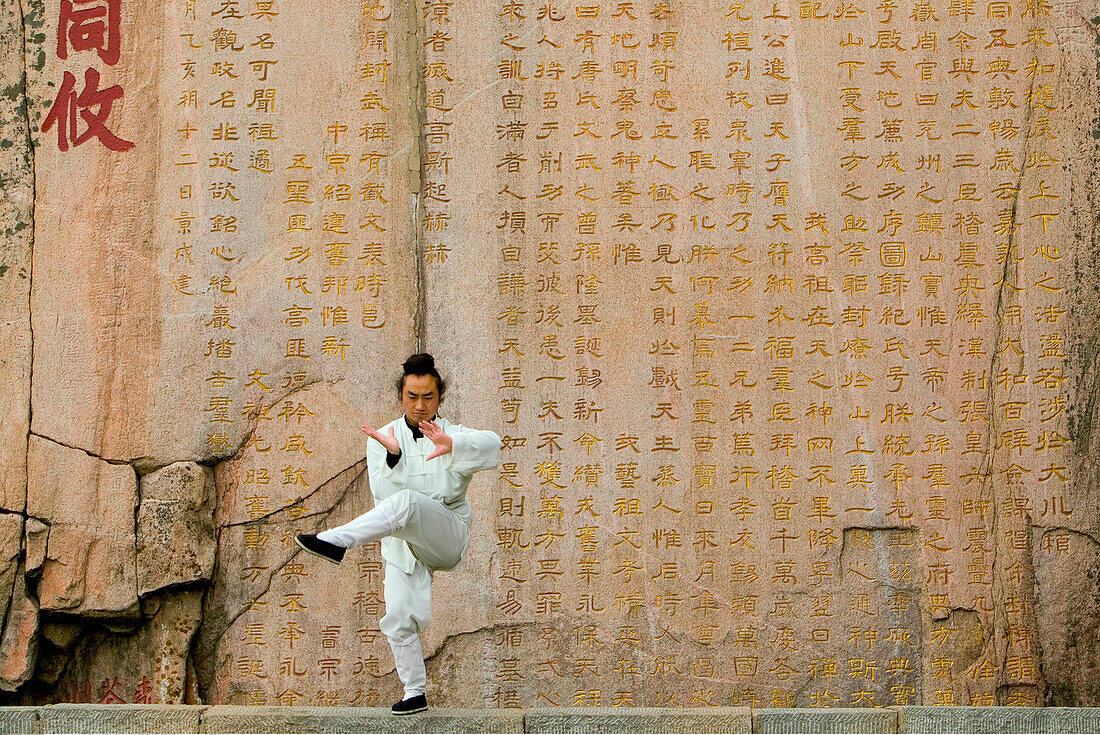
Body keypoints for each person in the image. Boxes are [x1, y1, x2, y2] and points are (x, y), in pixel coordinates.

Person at [295, 353, 502, 715]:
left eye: (428, 397)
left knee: (408, 502)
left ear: (439, 398)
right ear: (401, 397)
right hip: (403, 543)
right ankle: (414, 691)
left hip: (448, 534)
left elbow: (494, 445)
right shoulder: (383, 438)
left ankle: (336, 540)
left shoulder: (453, 433)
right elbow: (385, 504)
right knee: (399, 615)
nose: (421, 405)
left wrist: (454, 446)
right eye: (412, 397)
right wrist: (392, 456)